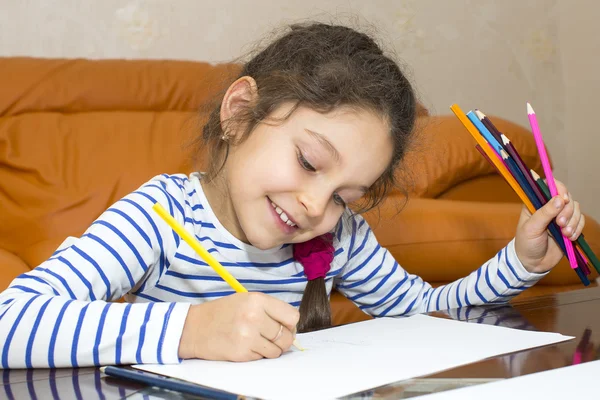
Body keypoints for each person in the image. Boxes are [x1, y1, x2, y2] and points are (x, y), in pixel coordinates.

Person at [0, 22, 585, 369]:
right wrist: (190, 332)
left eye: (345, 195)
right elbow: (10, 324)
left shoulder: (341, 235)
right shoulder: (159, 217)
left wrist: (522, 262)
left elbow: (422, 312)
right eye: (308, 162)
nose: (315, 207)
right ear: (239, 113)